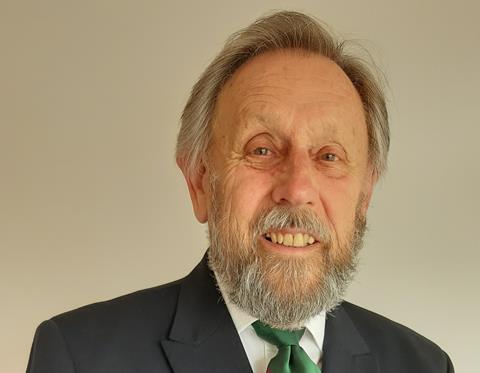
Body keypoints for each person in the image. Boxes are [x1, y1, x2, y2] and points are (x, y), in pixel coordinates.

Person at [27, 10, 454, 373]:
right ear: (199, 180)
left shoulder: (425, 365)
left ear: (364, 195)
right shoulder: (80, 358)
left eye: (328, 156)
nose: (297, 189)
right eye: (262, 149)